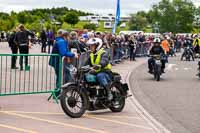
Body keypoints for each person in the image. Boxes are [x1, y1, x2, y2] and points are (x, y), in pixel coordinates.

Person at [49, 30, 78, 97]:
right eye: (68, 37)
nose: (68, 38)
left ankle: (58, 92)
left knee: (59, 77)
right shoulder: (61, 41)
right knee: (60, 77)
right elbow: (63, 52)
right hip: (57, 61)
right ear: (65, 36)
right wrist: (73, 54)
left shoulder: (59, 40)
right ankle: (57, 93)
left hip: (56, 60)